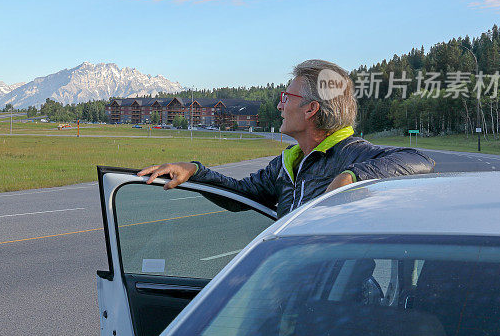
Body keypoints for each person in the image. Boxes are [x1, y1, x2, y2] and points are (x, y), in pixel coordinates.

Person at [138, 59, 435, 218]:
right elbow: (239, 195)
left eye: (285, 97)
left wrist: (353, 175)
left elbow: (421, 159)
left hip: (336, 302)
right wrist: (195, 172)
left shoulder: (352, 154)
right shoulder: (286, 164)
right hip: (292, 291)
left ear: (311, 109)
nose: (280, 105)